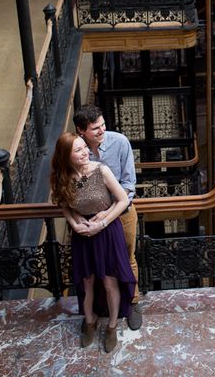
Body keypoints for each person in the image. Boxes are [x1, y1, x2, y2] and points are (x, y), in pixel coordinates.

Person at [50, 132, 136, 352]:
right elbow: (63, 205)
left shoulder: (101, 170)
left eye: (84, 148)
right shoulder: (62, 177)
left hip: (107, 230)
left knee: (109, 282)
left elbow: (123, 199)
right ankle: (90, 321)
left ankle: (112, 326)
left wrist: (104, 222)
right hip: (83, 235)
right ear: (65, 156)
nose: (86, 152)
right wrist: (73, 222)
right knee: (86, 282)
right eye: (78, 150)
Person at [73, 104, 142, 330]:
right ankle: (102, 309)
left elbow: (128, 185)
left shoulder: (119, 142)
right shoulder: (75, 148)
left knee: (127, 258)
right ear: (81, 130)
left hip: (122, 214)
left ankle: (133, 303)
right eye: (95, 128)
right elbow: (67, 186)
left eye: (103, 125)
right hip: (90, 218)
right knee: (99, 267)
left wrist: (108, 212)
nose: (102, 130)